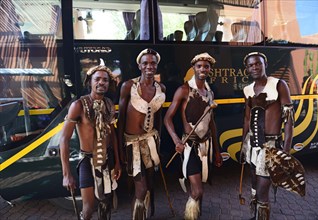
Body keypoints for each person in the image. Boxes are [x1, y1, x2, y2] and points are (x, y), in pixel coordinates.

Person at [164, 52, 223, 220]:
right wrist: (176, 140)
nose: (203, 69)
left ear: (210, 69)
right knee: (197, 191)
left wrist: (217, 151)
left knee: (200, 187)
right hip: (189, 146)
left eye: (206, 66)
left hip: (206, 147)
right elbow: (167, 119)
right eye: (199, 66)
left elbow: (212, 123)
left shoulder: (210, 92)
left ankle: (197, 215)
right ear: (193, 68)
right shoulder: (184, 90)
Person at [60, 62, 121, 220]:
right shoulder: (78, 105)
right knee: (88, 209)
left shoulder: (109, 104)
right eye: (97, 79)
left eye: (105, 80)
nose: (101, 82)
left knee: (105, 204)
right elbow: (64, 139)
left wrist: (118, 162)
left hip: (107, 160)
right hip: (87, 161)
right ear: (89, 82)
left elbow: (112, 134)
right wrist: (66, 174)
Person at [239, 52, 295, 220]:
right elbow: (247, 119)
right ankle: (256, 216)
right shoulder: (247, 89)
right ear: (247, 69)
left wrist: (285, 152)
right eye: (251, 65)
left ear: (265, 64)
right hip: (252, 147)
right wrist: (243, 145)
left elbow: (289, 121)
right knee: (255, 187)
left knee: (263, 192)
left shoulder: (279, 84)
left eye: (258, 63)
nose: (254, 67)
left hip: (271, 148)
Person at [117, 48, 166, 219]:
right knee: (141, 187)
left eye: (153, 63)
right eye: (145, 63)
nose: (149, 66)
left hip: (151, 143)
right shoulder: (128, 86)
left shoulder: (161, 89)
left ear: (157, 65)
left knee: (150, 184)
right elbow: (121, 121)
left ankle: (143, 214)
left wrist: (158, 145)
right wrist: (120, 151)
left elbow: (158, 119)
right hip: (132, 145)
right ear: (139, 65)